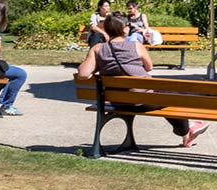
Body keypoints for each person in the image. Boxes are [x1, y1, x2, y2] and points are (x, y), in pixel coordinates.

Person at [76, 14, 209, 147]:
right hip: (143, 101)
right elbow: (149, 67)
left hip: (118, 102)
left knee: (167, 95)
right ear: (125, 29)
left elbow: (82, 74)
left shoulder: (98, 49)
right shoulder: (136, 46)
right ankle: (188, 130)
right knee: (172, 96)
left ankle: (186, 133)